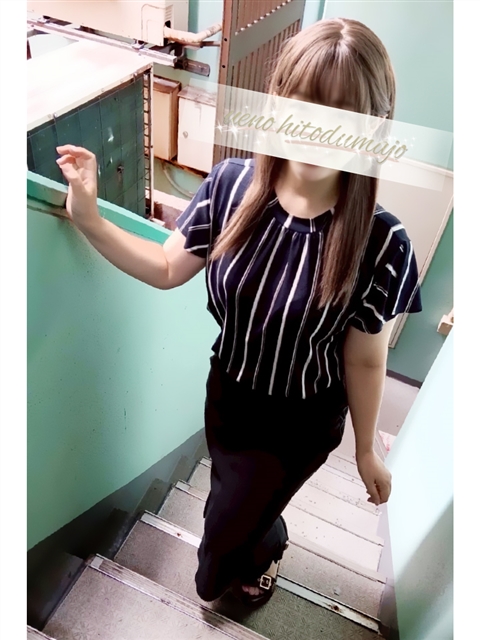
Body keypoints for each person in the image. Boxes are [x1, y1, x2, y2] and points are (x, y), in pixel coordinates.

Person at [55, 17, 422, 607]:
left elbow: (364, 360)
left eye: (344, 114)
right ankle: (266, 533)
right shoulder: (230, 187)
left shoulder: (384, 244)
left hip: (301, 424)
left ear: (374, 128)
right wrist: (91, 218)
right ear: (276, 101)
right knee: (236, 504)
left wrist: (365, 449)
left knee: (216, 560)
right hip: (227, 394)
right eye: (304, 102)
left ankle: (259, 545)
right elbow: (167, 266)